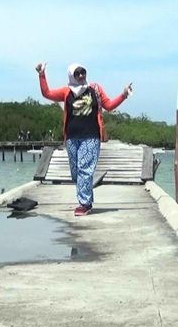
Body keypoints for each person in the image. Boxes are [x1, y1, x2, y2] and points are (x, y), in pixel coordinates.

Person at [35, 62, 132, 216]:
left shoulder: (95, 89)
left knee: (85, 170)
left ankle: (85, 204)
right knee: (76, 173)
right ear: (71, 76)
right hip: (72, 138)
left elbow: (109, 106)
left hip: (91, 137)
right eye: (77, 73)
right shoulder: (66, 91)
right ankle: (88, 200)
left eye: (83, 72)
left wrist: (124, 94)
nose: (81, 76)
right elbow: (47, 93)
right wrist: (42, 75)